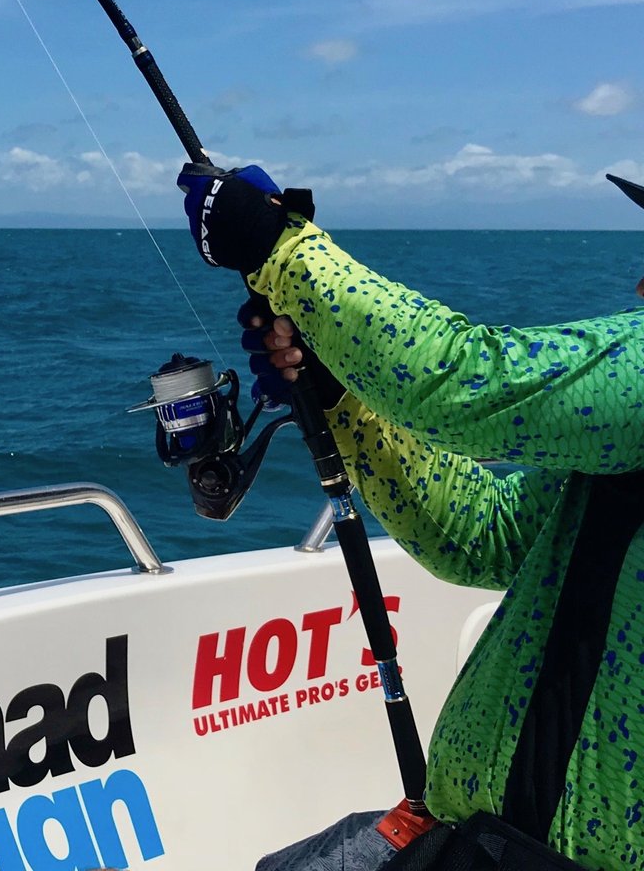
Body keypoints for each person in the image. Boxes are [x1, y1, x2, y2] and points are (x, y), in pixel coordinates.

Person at [176, 165, 644, 871]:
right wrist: (342, 400)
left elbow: (463, 379)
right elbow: (482, 531)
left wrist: (282, 247)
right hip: (484, 842)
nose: (639, 287)